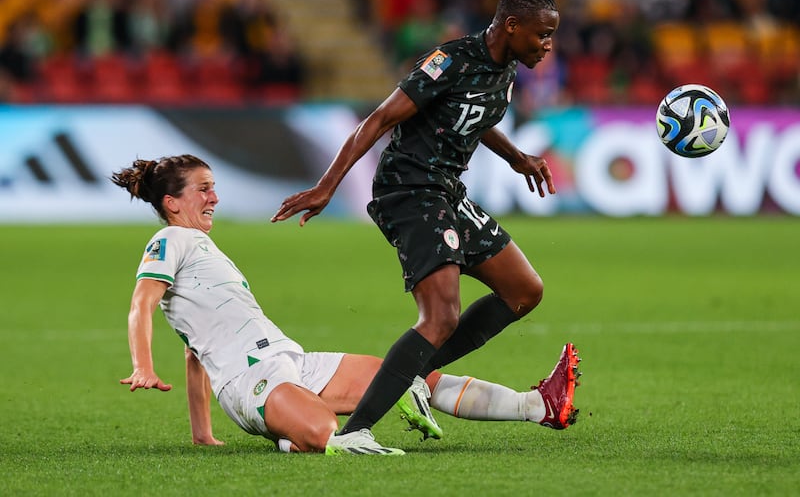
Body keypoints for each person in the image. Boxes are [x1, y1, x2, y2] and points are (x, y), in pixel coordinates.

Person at [271, 0, 581, 452]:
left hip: (446, 190)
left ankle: (418, 370)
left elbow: (474, 117)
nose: (548, 46)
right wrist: (327, 185)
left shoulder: (504, 68)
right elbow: (376, 120)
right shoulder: (450, 60)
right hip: (408, 190)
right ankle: (353, 434)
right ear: (511, 25)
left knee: (524, 290)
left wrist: (517, 156)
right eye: (542, 35)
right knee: (440, 318)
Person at [113, 154, 581, 455]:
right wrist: (142, 365)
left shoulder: (201, 249)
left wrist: (202, 434)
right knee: (322, 432)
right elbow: (141, 304)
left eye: (214, 185)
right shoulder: (170, 239)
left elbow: (195, 350)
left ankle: (537, 405)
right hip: (249, 381)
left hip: (292, 360)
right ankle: (292, 438)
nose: (214, 196)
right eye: (203, 189)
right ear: (172, 203)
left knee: (406, 376)